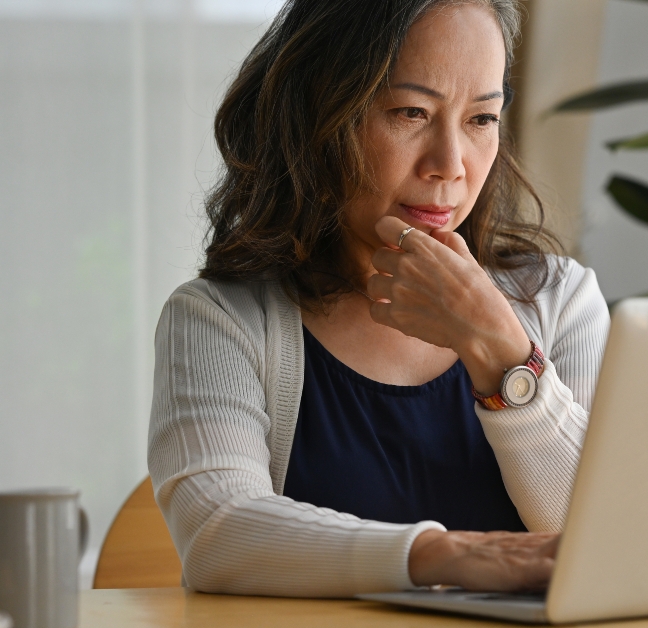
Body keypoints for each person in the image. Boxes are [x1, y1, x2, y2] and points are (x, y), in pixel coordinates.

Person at [147, 0, 608, 597]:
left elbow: (600, 539)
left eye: (482, 119)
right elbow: (217, 531)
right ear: (320, 116)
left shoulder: (560, 300)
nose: (450, 165)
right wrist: (449, 554)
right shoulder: (220, 319)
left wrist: (500, 349)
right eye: (410, 112)